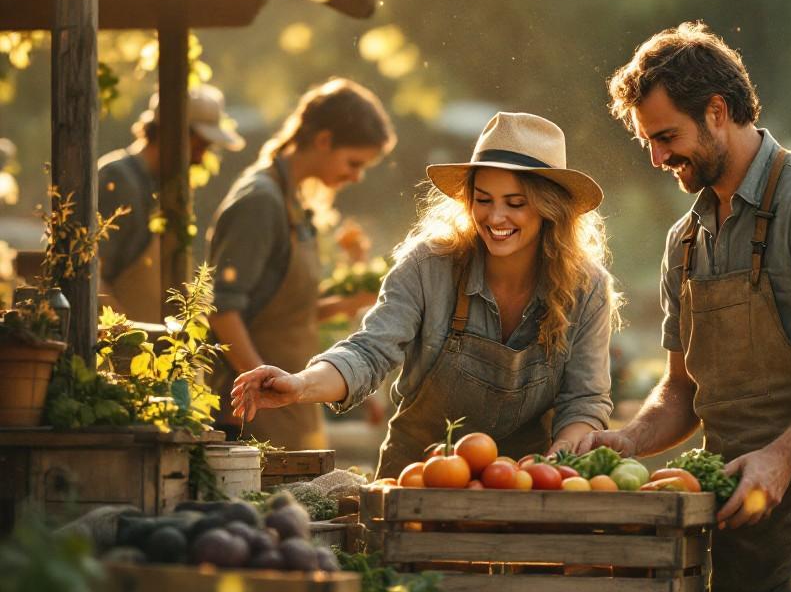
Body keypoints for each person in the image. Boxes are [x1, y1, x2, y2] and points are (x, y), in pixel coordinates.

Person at [577, 21, 791, 592]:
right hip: (737, 506)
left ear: (718, 110)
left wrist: (782, 456)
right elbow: (681, 392)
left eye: (668, 136)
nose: (657, 157)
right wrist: (626, 440)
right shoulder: (686, 239)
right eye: (648, 141)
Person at [231, 111, 618, 478]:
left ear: (550, 208)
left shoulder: (587, 288)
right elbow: (369, 352)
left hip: (526, 488)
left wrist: (555, 462)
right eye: (483, 200)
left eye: (516, 203)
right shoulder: (429, 266)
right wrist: (302, 385)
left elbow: (585, 400)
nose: (495, 218)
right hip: (419, 478)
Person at [208, 78, 395, 450]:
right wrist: (258, 386)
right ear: (324, 140)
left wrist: (348, 302)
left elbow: (286, 313)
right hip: (254, 408)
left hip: (288, 398)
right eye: (353, 162)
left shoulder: (293, 202)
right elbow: (221, 309)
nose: (357, 176)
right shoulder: (260, 202)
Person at [98, 85, 245, 323]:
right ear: (174, 134)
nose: (201, 157)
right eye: (199, 145)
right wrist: (125, 339)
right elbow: (91, 277)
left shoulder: (161, 189)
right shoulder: (118, 180)